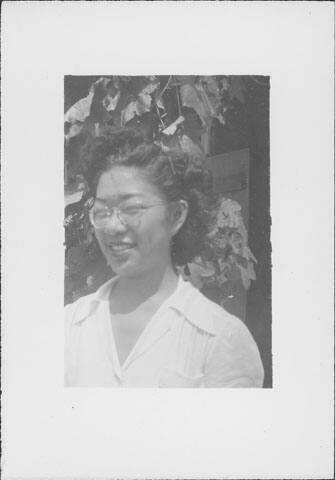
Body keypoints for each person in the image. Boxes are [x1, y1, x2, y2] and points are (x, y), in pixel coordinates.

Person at [65, 128, 264, 387]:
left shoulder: (218, 337)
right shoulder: (69, 326)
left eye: (132, 208)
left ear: (176, 216)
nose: (113, 227)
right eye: (103, 211)